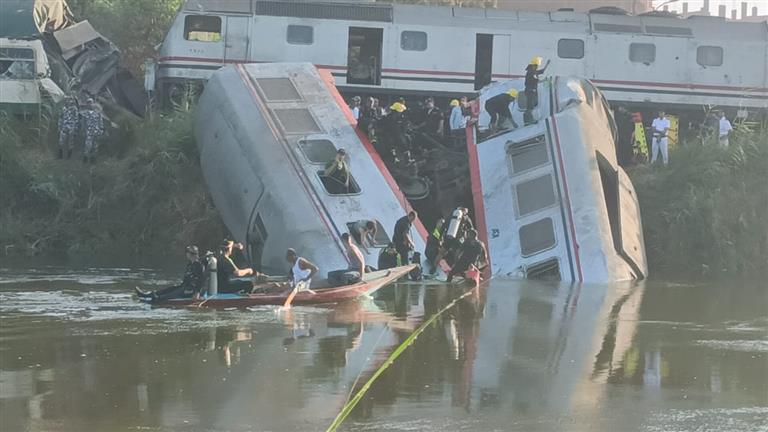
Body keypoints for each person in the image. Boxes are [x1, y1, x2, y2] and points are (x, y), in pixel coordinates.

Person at [136, 246, 204, 302]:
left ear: (191, 254)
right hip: (184, 287)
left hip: (190, 290)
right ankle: (146, 295)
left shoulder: (198, 265)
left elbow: (201, 279)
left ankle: (158, 298)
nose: (186, 254)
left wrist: (197, 293)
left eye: (187, 252)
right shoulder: (190, 264)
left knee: (172, 294)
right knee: (171, 288)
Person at [81, 98, 105, 164]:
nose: (90, 104)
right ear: (87, 104)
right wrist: (83, 130)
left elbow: (100, 122)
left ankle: (93, 159)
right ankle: (85, 158)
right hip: (88, 132)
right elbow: (83, 123)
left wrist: (101, 129)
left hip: (96, 132)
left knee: (95, 146)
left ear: (93, 103)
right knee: (88, 145)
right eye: (88, 103)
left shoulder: (98, 113)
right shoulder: (85, 113)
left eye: (91, 102)